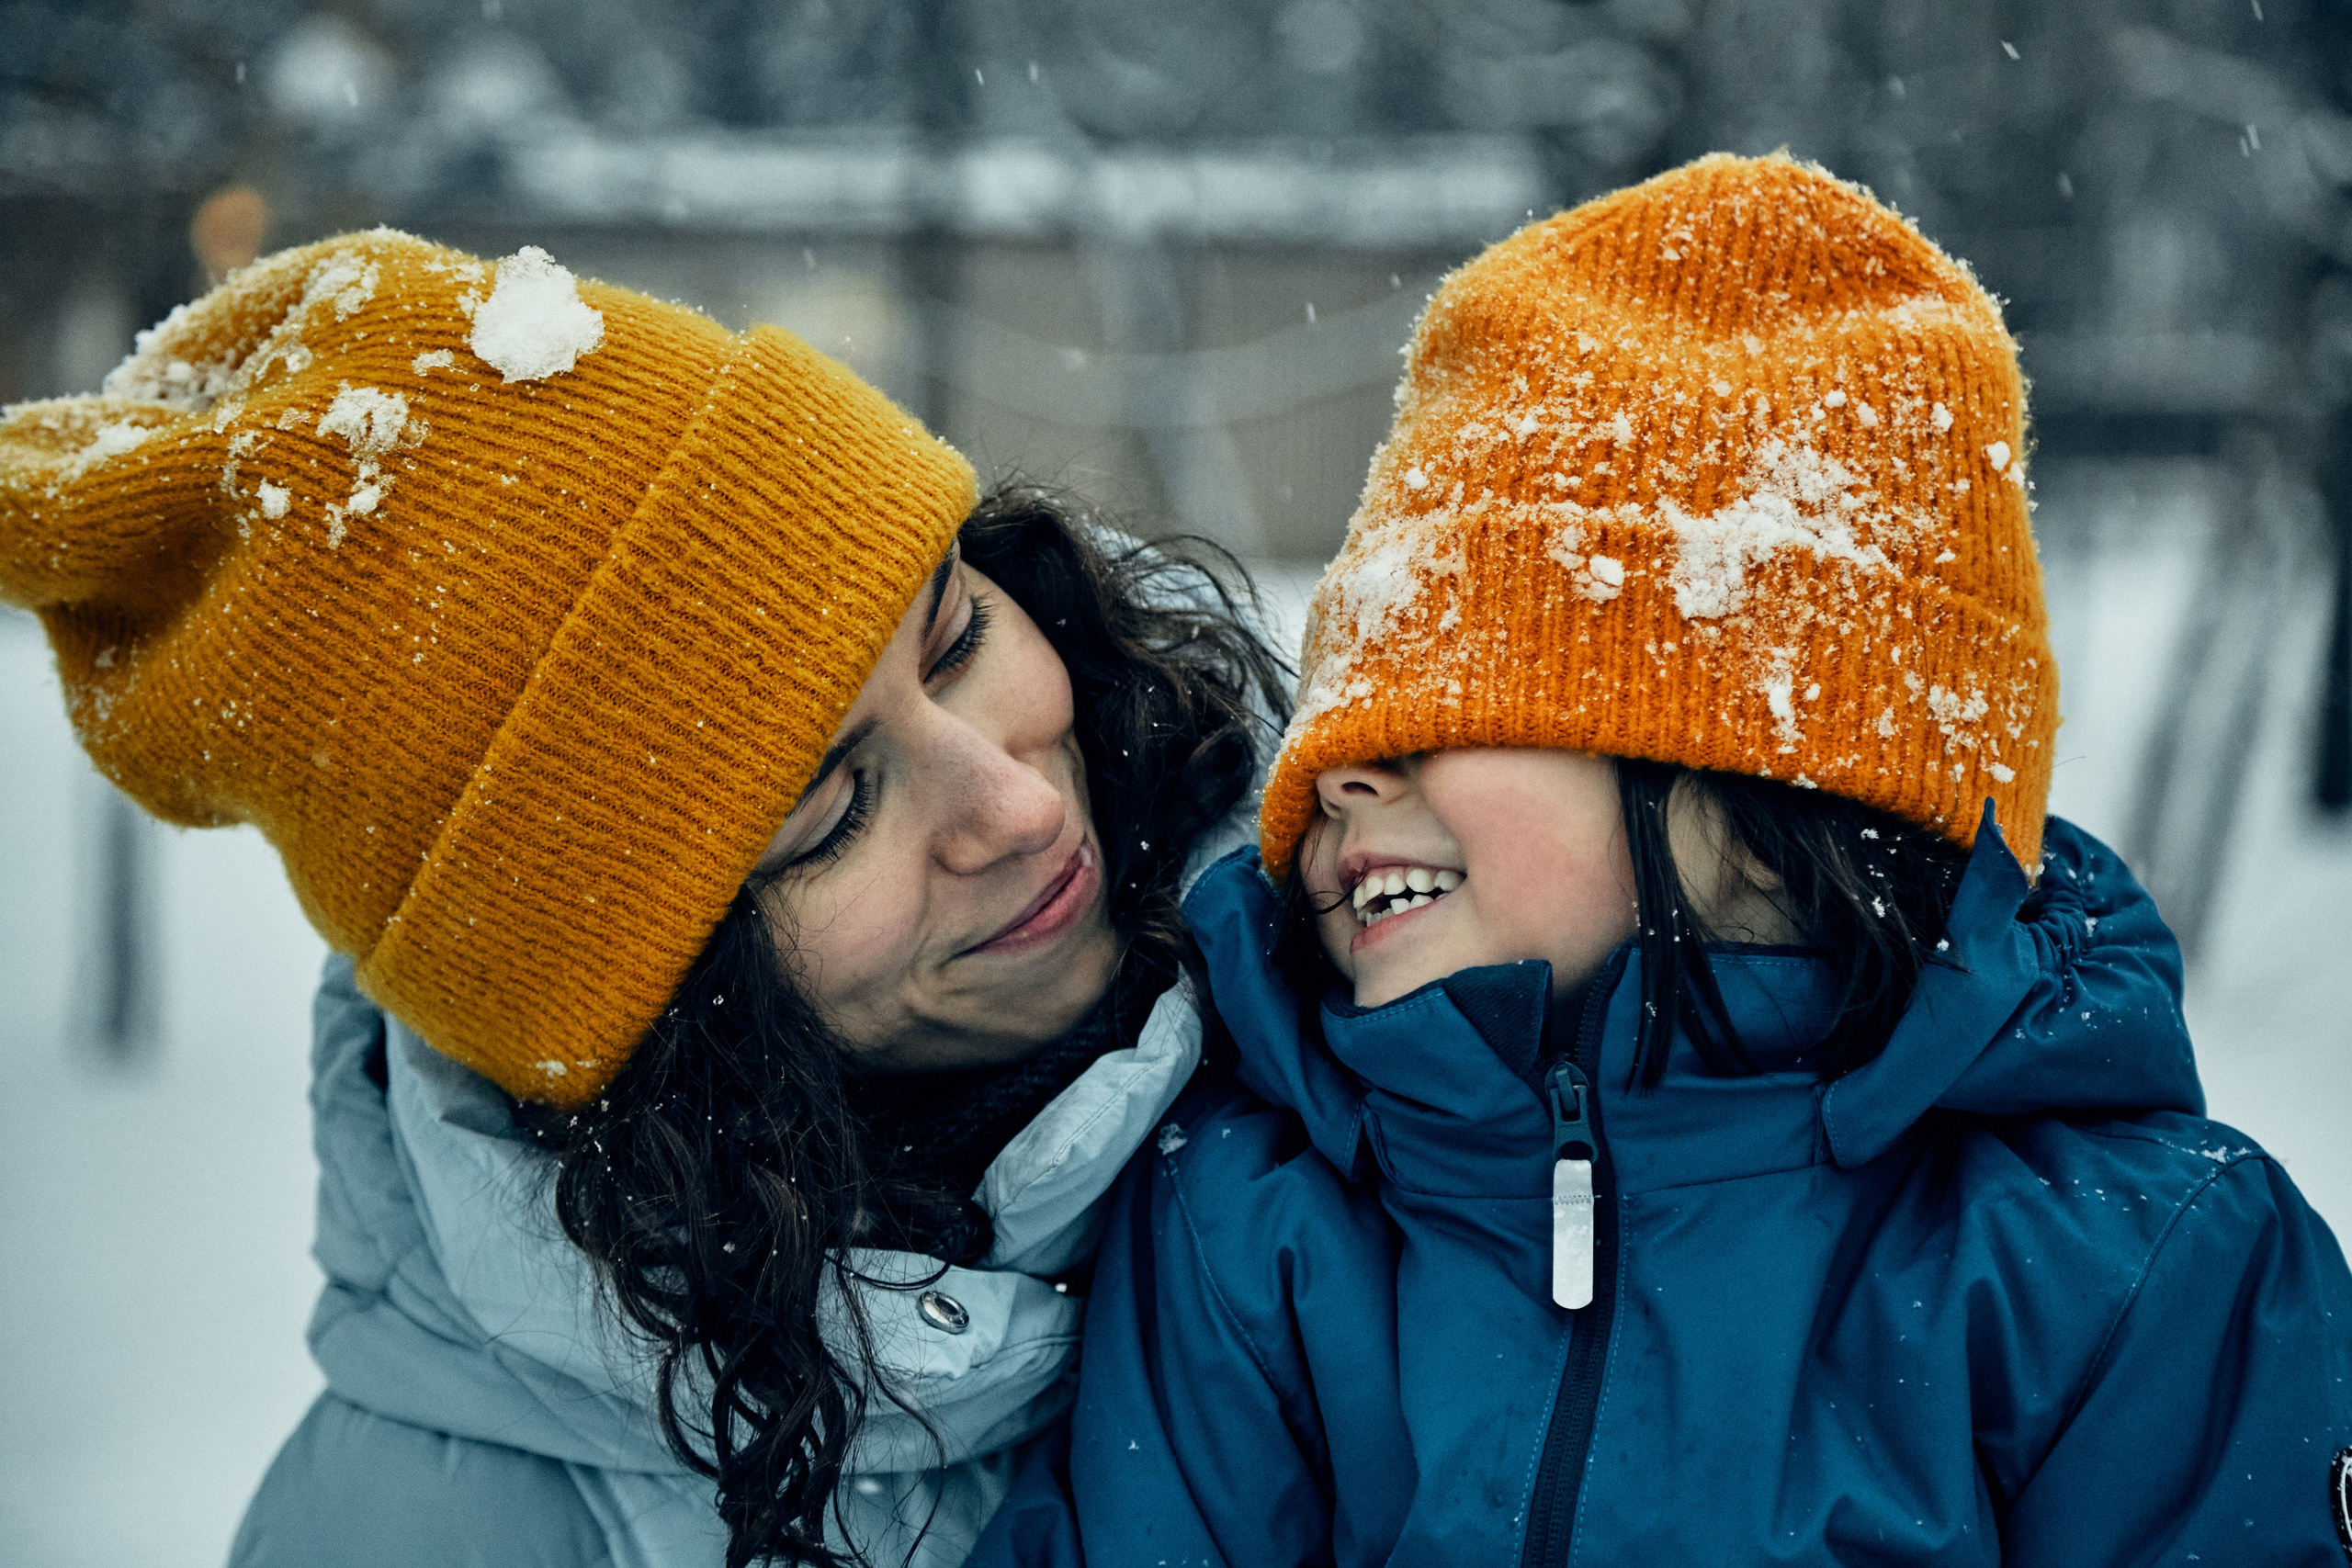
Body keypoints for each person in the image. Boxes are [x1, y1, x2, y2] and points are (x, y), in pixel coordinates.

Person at [972, 153, 2352, 1565]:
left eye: (1451, 707)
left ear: (1767, 776)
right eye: (1338, 724)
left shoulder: (2127, 1270)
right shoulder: (1256, 1230)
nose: (1339, 778)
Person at [0, 230, 1285, 1567]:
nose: (1015, 809)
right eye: (830, 812)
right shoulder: (422, 1539)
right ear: (668, 1027)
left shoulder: (1405, 1044)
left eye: (957, 639)